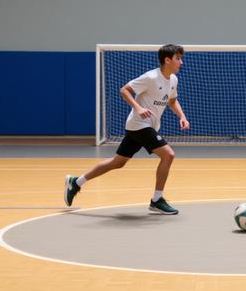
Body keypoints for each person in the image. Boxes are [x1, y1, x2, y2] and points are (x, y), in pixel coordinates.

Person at [64, 44, 190, 214]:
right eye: (178, 59)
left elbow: (172, 101)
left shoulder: (173, 80)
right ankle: (157, 199)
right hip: (139, 125)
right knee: (168, 154)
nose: (181, 62)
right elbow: (124, 90)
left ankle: (76, 182)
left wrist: (182, 116)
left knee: (118, 162)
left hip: (144, 126)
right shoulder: (151, 77)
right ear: (167, 60)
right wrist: (138, 108)